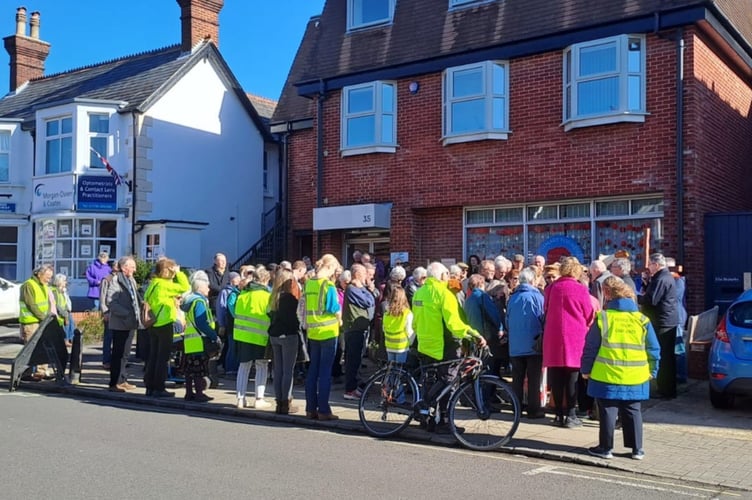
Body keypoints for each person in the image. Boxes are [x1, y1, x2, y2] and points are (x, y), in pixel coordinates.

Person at [581, 276, 661, 460]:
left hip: (607, 374)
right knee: (633, 410)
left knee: (608, 409)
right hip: (636, 375)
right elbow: (653, 348)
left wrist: (586, 369)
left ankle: (605, 448)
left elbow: (591, 347)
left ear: (608, 295)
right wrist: (653, 370)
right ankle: (637, 450)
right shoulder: (642, 320)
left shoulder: (603, 318)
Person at [412, 262, 486, 433]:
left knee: (429, 381)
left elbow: (415, 322)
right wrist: (473, 334)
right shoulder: (444, 294)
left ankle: (426, 418)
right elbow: (454, 324)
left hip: (425, 344)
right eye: (447, 274)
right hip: (443, 345)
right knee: (448, 380)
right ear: (442, 276)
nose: (449, 277)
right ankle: (443, 421)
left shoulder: (419, 293)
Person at [542, 256, 595, 428]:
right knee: (572, 377)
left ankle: (558, 414)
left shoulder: (551, 288)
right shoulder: (580, 289)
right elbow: (589, 314)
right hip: (575, 336)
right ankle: (571, 414)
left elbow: (546, 309)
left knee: (556, 377)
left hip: (554, 336)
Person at [143, 258, 190, 398]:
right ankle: (159, 388)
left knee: (153, 357)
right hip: (164, 324)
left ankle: (150, 387)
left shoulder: (154, 284)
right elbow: (185, 286)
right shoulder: (165, 285)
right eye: (171, 269)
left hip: (153, 324)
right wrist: (179, 273)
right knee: (163, 359)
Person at [304, 254, 342, 421]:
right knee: (325, 372)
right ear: (330, 267)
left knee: (313, 370)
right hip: (328, 332)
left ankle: (310, 408)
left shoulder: (309, 284)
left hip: (313, 332)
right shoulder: (329, 286)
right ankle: (324, 410)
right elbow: (334, 308)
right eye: (334, 269)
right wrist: (340, 320)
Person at [638, 253, 680, 399]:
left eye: (650, 264)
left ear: (656, 264)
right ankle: (667, 388)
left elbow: (652, 299)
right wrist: (646, 282)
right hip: (666, 320)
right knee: (667, 355)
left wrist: (636, 297)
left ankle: (666, 390)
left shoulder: (662, 278)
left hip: (663, 322)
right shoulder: (662, 277)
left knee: (664, 356)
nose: (648, 267)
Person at [506, 268, 546, 419]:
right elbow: (543, 318)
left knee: (517, 378)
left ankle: (516, 408)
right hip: (533, 344)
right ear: (532, 281)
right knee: (534, 379)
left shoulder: (512, 298)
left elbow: (507, 320)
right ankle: (534, 409)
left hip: (515, 345)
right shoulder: (537, 297)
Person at [233, 268, 273, 409]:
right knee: (262, 366)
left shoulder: (242, 295)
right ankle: (259, 399)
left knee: (243, 367)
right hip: (260, 337)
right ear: (265, 280)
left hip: (242, 336)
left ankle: (240, 399)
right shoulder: (267, 296)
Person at [180, 271, 217, 403]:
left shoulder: (190, 301)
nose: (208, 289)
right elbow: (201, 322)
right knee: (200, 369)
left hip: (190, 341)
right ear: (200, 288)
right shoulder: (199, 302)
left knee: (190, 370)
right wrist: (213, 335)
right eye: (207, 286)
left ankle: (189, 393)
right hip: (200, 340)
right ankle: (200, 393)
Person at [104, 256, 141, 393]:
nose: (135, 269)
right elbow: (111, 302)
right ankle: (114, 383)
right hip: (120, 322)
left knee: (125, 354)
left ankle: (123, 379)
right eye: (132, 267)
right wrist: (126, 313)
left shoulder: (131, 280)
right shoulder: (116, 280)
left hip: (131, 322)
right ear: (124, 267)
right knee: (118, 353)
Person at [268, 268, 301, 414]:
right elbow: (293, 320)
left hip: (274, 335)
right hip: (288, 335)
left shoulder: (273, 296)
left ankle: (278, 403)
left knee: (278, 370)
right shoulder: (289, 298)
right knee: (288, 371)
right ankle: (286, 402)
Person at [342, 263, 375, 400]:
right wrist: (364, 288)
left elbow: (373, 296)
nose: (366, 277)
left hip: (359, 329)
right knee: (353, 360)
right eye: (364, 274)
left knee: (356, 359)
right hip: (354, 330)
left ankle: (354, 386)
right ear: (357, 275)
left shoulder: (359, 288)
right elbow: (368, 301)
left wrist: (366, 289)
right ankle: (350, 390)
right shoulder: (352, 289)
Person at [19, 264, 56, 380]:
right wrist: (43, 317)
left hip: (41, 321)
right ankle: (26, 372)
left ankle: (41, 371)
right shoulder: (28, 285)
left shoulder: (44, 285)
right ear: (39, 274)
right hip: (31, 322)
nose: (49, 279)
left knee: (43, 347)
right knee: (30, 349)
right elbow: (31, 305)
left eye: (50, 277)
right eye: (47, 276)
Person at [463, 273, 505, 376]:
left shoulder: (468, 299)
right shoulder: (482, 296)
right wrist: (500, 328)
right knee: (488, 366)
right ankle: (487, 390)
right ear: (481, 283)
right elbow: (493, 313)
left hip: (473, 336)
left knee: (477, 367)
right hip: (485, 336)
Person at [217, 271, 241, 376]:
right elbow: (221, 308)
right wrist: (222, 324)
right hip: (229, 323)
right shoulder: (226, 292)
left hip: (233, 324)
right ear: (232, 280)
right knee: (231, 347)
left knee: (231, 346)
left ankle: (232, 368)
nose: (239, 280)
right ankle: (229, 369)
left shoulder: (236, 292)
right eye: (237, 278)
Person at [383, 286, 414, 364]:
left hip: (389, 345)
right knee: (399, 371)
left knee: (391, 369)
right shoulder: (407, 313)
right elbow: (409, 331)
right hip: (401, 346)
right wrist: (410, 343)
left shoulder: (387, 313)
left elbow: (384, 328)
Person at [51, 273, 75, 347]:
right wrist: (64, 314)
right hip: (61, 314)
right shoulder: (55, 291)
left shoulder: (62, 291)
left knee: (71, 325)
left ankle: (71, 339)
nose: (66, 282)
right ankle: (66, 340)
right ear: (59, 281)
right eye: (64, 281)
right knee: (65, 327)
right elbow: (56, 304)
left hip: (66, 311)